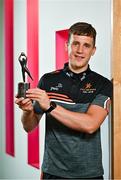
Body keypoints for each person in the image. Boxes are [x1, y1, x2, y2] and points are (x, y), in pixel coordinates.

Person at [15, 22, 113, 179]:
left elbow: (90, 125)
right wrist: (27, 112)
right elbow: (29, 126)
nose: (80, 50)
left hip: (89, 175)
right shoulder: (47, 80)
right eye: (75, 44)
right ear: (67, 45)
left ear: (93, 50)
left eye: (86, 45)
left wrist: (50, 106)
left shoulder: (103, 84)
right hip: (52, 173)